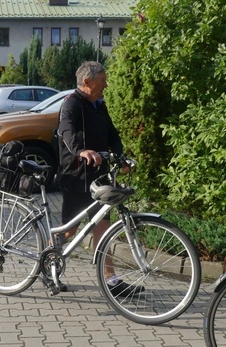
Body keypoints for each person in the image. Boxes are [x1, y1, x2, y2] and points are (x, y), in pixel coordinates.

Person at [54, 61, 144, 296]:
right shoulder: (71, 103)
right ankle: (49, 264)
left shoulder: (98, 105)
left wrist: (120, 156)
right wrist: (80, 150)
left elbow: (112, 133)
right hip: (77, 176)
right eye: (102, 80)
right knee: (68, 231)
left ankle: (111, 281)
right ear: (87, 82)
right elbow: (65, 130)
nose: (106, 84)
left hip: (100, 176)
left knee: (102, 228)